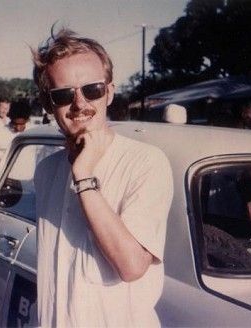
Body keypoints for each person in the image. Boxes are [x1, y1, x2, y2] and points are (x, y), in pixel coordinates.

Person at [31, 28, 173, 327]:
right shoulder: (47, 170)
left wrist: (83, 177)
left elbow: (132, 266)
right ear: (48, 103)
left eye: (92, 89)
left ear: (109, 92)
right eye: (64, 95)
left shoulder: (145, 163)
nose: (80, 104)